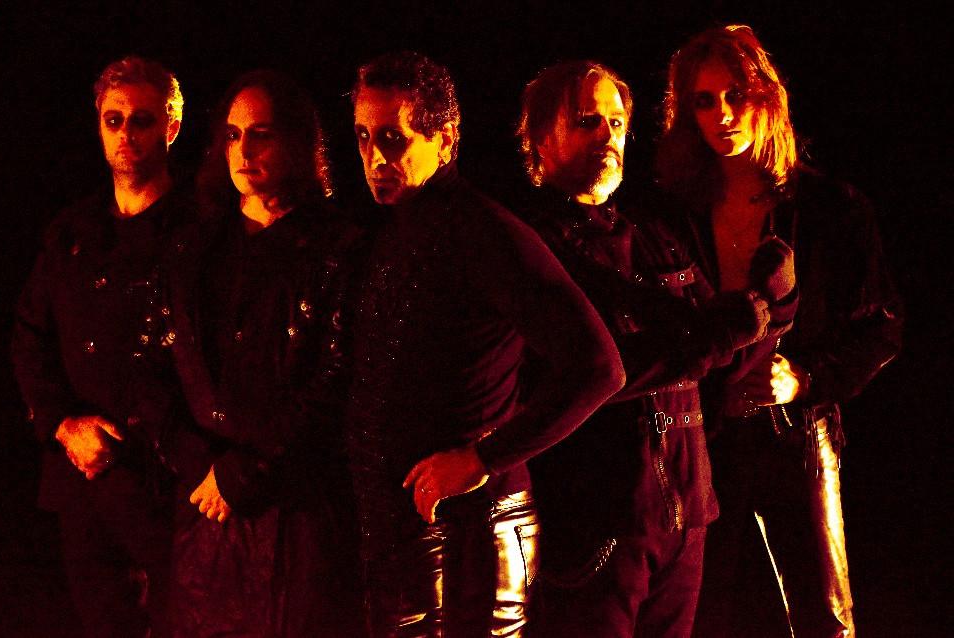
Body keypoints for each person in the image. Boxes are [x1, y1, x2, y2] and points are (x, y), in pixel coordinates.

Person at [347, 51, 624, 636]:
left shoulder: (483, 230)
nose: (374, 157)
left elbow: (599, 366)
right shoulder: (399, 229)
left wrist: (483, 459)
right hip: (412, 531)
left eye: (393, 139)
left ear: (445, 140)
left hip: (474, 534)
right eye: (364, 138)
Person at [515, 60, 786, 638]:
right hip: (595, 524)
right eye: (586, 121)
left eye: (616, 122)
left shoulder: (652, 235)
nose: (607, 136)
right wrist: (720, 331)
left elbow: (724, 361)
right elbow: (587, 374)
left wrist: (772, 304)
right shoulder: (530, 248)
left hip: (684, 516)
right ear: (540, 139)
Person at [656, 25, 903, 638]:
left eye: (735, 95)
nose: (722, 114)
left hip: (796, 435)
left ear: (766, 97)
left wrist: (803, 378)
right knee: (702, 614)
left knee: (824, 616)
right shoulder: (673, 212)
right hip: (703, 437)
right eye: (704, 100)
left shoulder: (830, 207)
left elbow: (882, 327)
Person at [162, 70, 363, 637]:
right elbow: (157, 362)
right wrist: (198, 463)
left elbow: (337, 378)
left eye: (261, 134)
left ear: (296, 141)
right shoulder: (196, 244)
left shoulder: (336, 248)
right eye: (232, 135)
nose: (244, 151)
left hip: (296, 509)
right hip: (203, 505)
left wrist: (248, 471)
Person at [12, 55, 187, 638]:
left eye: (141, 120)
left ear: (171, 127)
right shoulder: (73, 230)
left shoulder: (201, 230)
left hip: (168, 485)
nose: (126, 134)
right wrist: (63, 424)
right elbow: (30, 336)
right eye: (114, 120)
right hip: (83, 482)